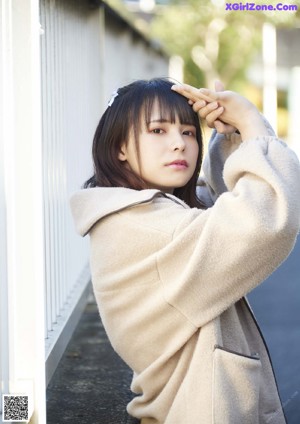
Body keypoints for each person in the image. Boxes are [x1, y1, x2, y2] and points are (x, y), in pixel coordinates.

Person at [70, 78, 300, 424]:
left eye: (188, 133)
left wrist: (234, 135)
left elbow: (221, 204)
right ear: (119, 147)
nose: (178, 144)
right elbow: (261, 220)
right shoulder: (146, 228)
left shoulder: (143, 215)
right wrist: (250, 121)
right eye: (158, 131)